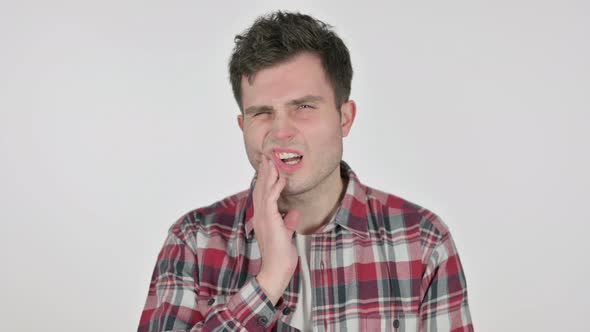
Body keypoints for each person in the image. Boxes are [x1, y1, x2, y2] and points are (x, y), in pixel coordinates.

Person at [138, 11, 473, 332]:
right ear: (242, 125)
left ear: (345, 118)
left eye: (304, 107)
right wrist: (268, 282)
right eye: (262, 113)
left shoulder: (423, 241)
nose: (281, 131)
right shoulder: (193, 241)